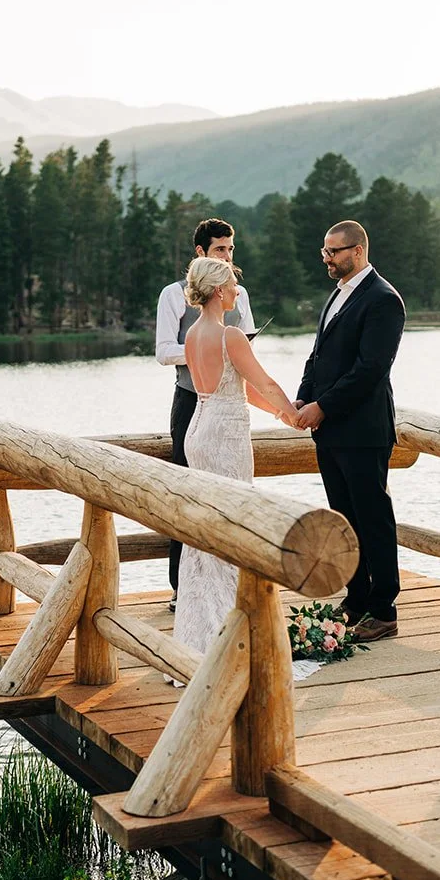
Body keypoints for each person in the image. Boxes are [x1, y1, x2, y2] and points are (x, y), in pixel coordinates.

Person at [172, 256, 301, 658]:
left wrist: (282, 413)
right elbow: (264, 381)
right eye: (230, 285)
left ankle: (202, 628)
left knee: (206, 527)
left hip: (200, 425)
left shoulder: (193, 334)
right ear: (216, 291)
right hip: (225, 435)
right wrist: (297, 414)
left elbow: (243, 392)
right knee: (235, 520)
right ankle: (232, 629)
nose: (235, 290)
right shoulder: (232, 337)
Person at [294, 221, 406, 642]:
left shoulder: (383, 300)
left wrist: (325, 406)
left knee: (374, 519)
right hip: (331, 431)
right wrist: (305, 396)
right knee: (345, 519)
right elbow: (319, 354)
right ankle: (356, 597)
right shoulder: (339, 294)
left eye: (333, 252)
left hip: (363, 430)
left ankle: (384, 608)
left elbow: (370, 370)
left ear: (357, 251)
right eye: (324, 251)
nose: (326, 258)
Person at [154, 218, 254, 611]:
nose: (228, 257)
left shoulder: (238, 293)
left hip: (230, 405)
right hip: (189, 401)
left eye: (230, 249)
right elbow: (163, 350)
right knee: (186, 490)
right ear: (200, 253)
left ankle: (231, 579)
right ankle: (183, 587)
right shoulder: (172, 295)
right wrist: (207, 349)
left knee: (234, 492)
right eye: (220, 251)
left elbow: (244, 339)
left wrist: (232, 347)